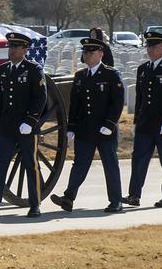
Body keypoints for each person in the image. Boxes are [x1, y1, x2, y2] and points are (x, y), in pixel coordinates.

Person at [0, 32, 48, 217]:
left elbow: (41, 97)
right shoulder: (4, 69)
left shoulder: (33, 69)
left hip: (25, 126)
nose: (11, 50)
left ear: (24, 49)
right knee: (0, 164)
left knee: (31, 165)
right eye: (10, 46)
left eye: (15, 47)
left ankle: (35, 204)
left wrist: (31, 121)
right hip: (7, 126)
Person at [51, 38, 125, 213]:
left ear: (100, 54)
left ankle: (116, 201)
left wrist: (110, 124)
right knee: (79, 164)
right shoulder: (80, 76)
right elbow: (75, 105)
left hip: (104, 130)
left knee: (110, 164)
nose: (87, 56)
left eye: (91, 53)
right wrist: (71, 127)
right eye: (85, 53)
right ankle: (68, 198)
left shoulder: (111, 74)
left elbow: (117, 102)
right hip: (85, 130)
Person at [122, 31, 162, 208]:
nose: (149, 49)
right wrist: (135, 121)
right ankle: (134, 195)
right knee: (138, 159)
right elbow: (140, 99)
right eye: (148, 46)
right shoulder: (143, 69)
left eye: (153, 46)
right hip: (145, 124)